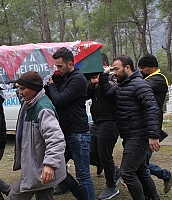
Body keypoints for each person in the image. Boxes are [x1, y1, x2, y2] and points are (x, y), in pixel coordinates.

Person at [99, 54, 161, 200]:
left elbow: (152, 109)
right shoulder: (123, 85)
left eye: (116, 69)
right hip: (129, 134)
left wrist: (153, 135)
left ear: (127, 67)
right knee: (141, 171)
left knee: (127, 172)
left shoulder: (140, 85)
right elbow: (108, 95)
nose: (114, 72)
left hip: (139, 135)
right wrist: (103, 76)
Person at [8, 70, 66, 200]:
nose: (20, 92)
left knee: (14, 197)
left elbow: (56, 140)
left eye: (23, 89)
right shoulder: (29, 102)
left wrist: (50, 165)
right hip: (38, 166)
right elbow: (22, 94)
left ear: (34, 88)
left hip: (40, 168)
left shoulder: (43, 109)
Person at [47, 47, 95, 200]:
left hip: (78, 134)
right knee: (58, 169)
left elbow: (59, 100)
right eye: (56, 66)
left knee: (83, 175)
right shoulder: (66, 77)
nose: (57, 69)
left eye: (60, 66)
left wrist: (51, 84)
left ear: (70, 64)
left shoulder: (78, 79)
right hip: (66, 132)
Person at [138, 53, 172, 194]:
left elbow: (140, 87)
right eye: (139, 68)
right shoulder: (147, 78)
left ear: (153, 67)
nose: (140, 70)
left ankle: (153, 190)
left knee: (140, 165)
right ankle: (165, 175)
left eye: (143, 68)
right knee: (140, 164)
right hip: (144, 124)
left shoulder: (158, 79)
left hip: (151, 125)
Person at [87, 53, 120, 199]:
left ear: (104, 65)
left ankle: (111, 185)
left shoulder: (114, 78)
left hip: (110, 122)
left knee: (105, 155)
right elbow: (86, 95)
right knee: (92, 152)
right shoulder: (97, 81)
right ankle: (114, 171)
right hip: (97, 121)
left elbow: (109, 94)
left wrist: (104, 77)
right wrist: (92, 83)